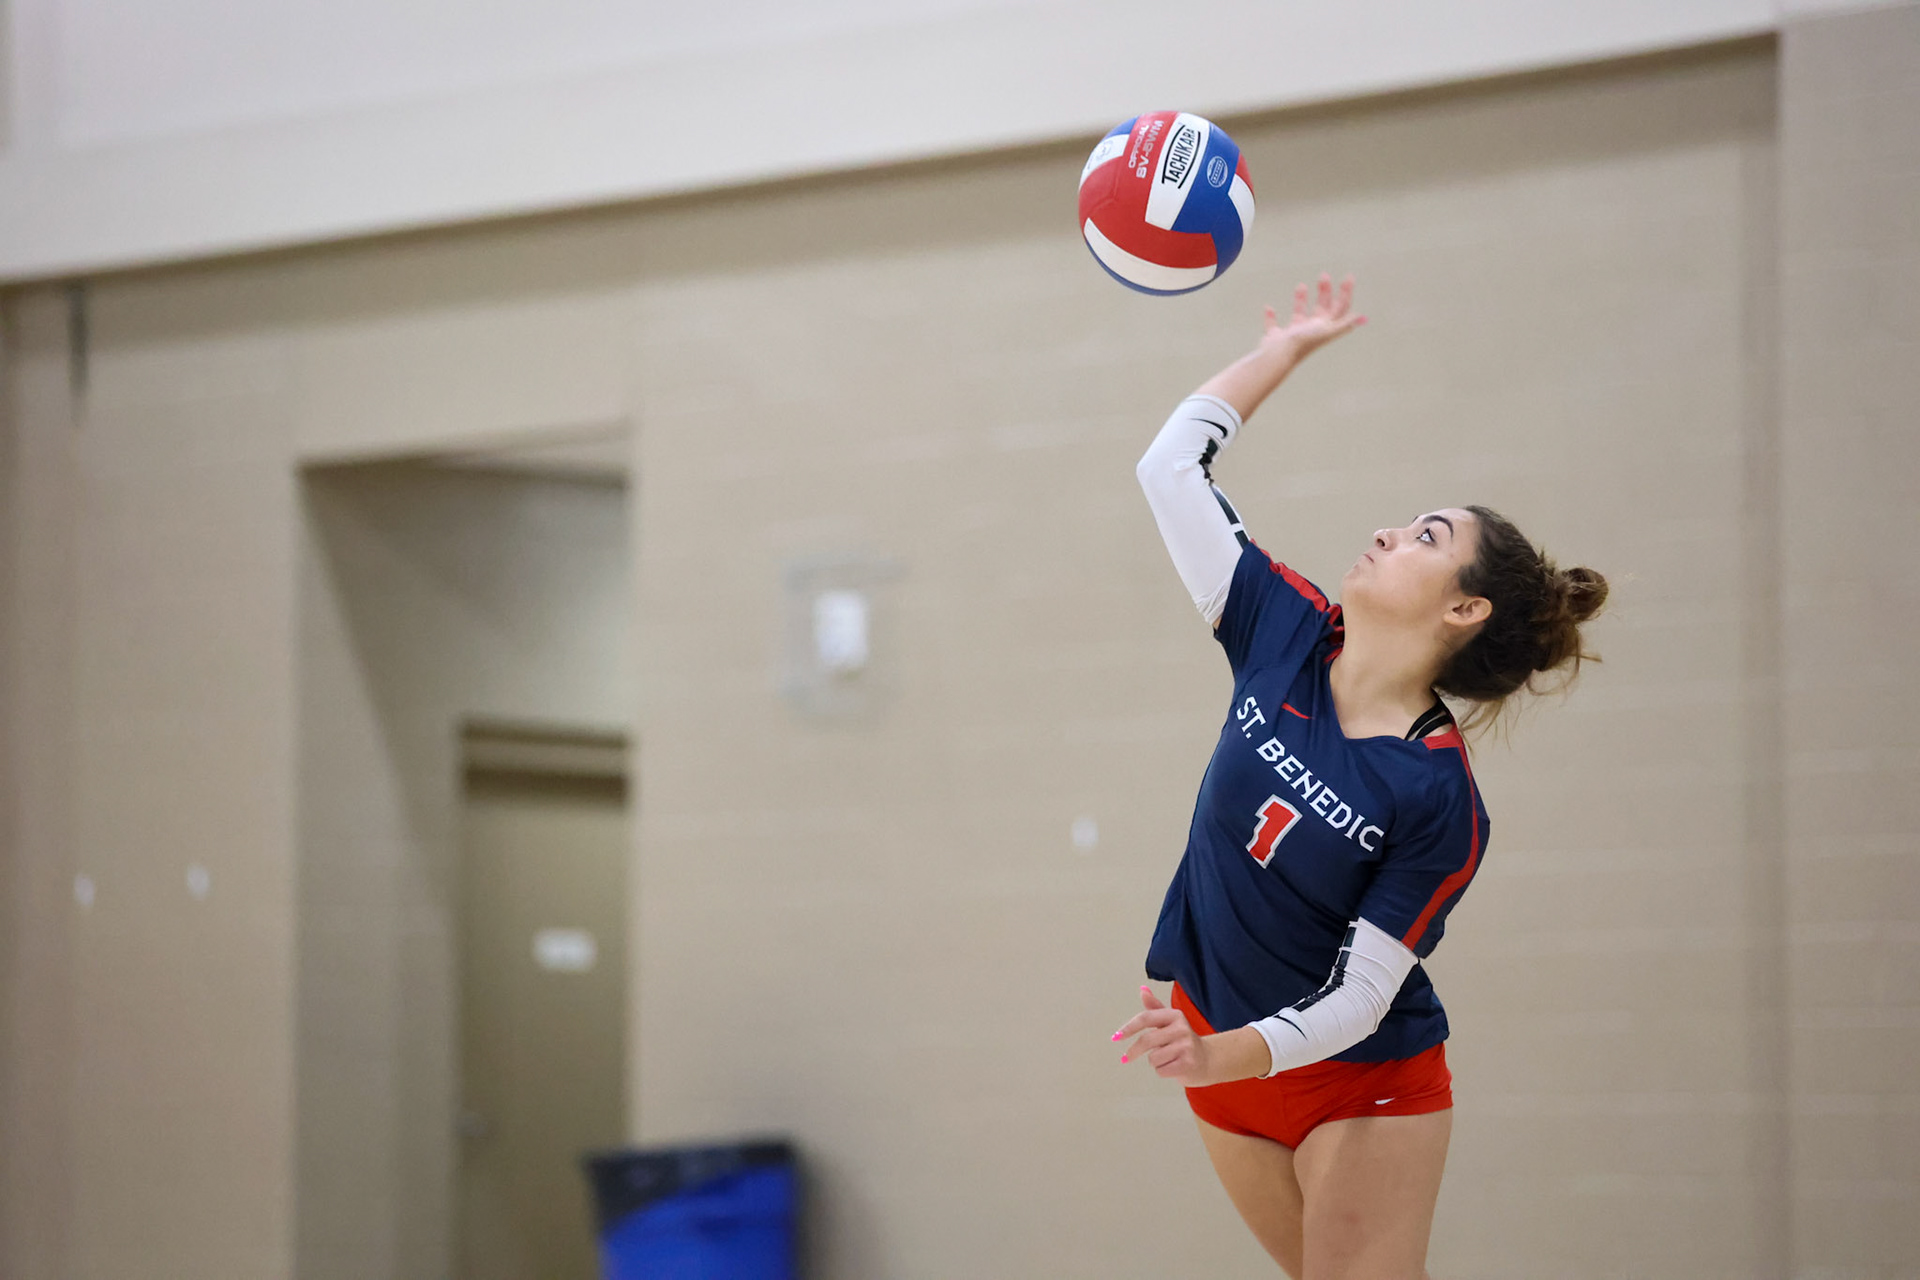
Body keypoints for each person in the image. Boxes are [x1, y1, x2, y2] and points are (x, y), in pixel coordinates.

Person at [1112, 275, 1608, 1279]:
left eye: (1429, 538)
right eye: (1407, 520)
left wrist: (1223, 1053)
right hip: (1218, 1048)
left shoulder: (1435, 796)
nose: (1390, 531)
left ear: (1464, 611)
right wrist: (1281, 353)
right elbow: (1170, 468)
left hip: (1359, 1079)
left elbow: (1358, 1000)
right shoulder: (1282, 626)